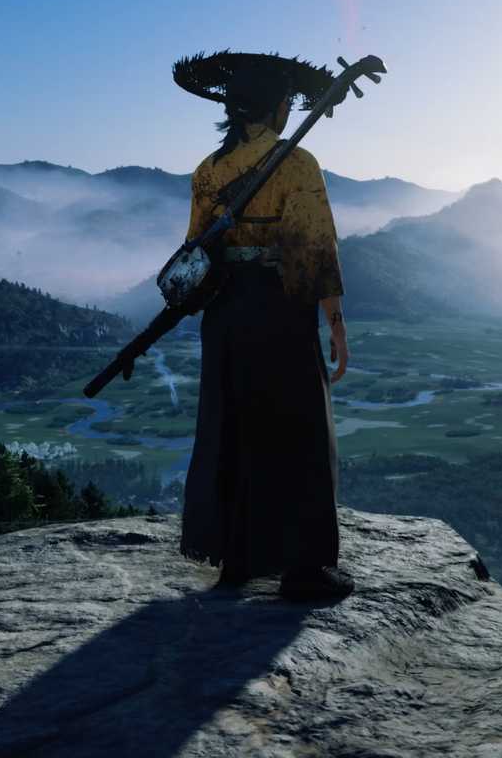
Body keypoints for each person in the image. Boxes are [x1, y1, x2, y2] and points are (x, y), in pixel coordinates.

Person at [172, 49, 353, 600]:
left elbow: (196, 248)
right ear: (276, 108)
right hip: (279, 309)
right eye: (284, 104)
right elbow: (313, 248)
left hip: (227, 313)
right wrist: (335, 323)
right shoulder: (297, 164)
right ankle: (304, 569)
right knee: (298, 430)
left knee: (234, 427)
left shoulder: (209, 170)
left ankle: (238, 558)